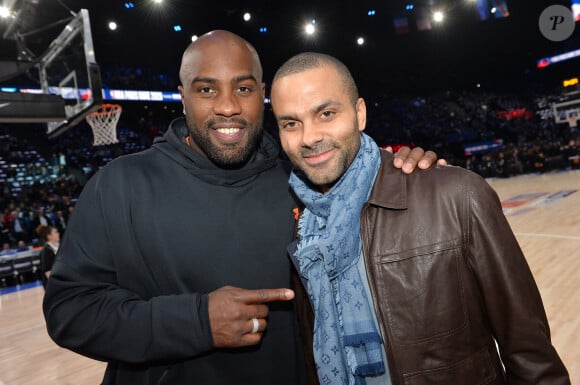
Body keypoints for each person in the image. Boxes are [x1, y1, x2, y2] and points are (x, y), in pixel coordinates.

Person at [42, 31, 440, 385]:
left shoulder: (303, 180)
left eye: (244, 88)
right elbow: (69, 311)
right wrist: (196, 322)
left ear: (262, 93)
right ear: (182, 97)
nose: (228, 106)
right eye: (207, 90)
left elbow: (372, 190)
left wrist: (411, 170)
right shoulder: (120, 186)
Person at [269, 52, 570, 385]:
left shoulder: (456, 196)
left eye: (326, 113)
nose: (309, 137)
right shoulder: (302, 228)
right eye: (291, 123)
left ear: (359, 113)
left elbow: (532, 359)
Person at [36, 224, 60, 289]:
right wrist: (57, 286)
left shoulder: (56, 247)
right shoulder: (46, 250)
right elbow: (47, 271)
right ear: (49, 236)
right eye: (55, 232)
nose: (58, 233)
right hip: (53, 286)